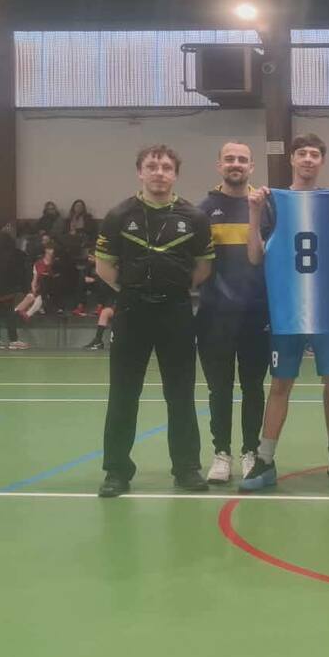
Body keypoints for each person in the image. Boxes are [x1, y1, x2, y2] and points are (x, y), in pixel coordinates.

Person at [242, 135, 329, 492]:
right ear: (292, 159)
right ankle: (264, 460)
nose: (308, 159)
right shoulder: (271, 202)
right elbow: (254, 256)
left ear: (322, 161)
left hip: (326, 309)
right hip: (286, 310)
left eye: (314, 154)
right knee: (280, 385)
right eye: (302, 154)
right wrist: (253, 212)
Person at [93, 145, 214, 497]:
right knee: (123, 393)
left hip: (176, 311)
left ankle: (187, 468)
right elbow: (103, 266)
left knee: (180, 393)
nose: (159, 172)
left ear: (175, 174)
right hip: (131, 312)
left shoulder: (195, 217)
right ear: (140, 172)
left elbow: (203, 267)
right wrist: (134, 291)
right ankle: (116, 471)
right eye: (152, 166)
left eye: (166, 167)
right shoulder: (118, 215)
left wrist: (173, 289)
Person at [196, 140, 270, 484]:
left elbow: (263, 258)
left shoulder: (265, 207)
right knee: (219, 389)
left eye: (242, 159)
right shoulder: (203, 210)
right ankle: (221, 453)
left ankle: (250, 451)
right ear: (219, 165)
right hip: (214, 315)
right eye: (229, 159)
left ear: (252, 167)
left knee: (254, 387)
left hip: (255, 313)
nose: (235, 164)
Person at [0, 224, 28, 350]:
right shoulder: (12, 255)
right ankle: (13, 340)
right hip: (7, 291)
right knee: (9, 315)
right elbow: (17, 272)